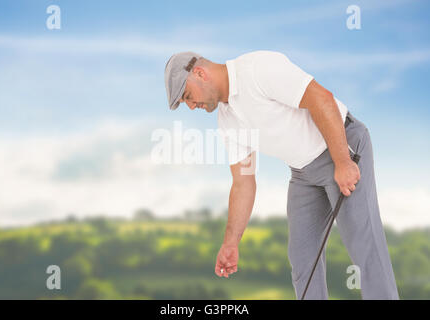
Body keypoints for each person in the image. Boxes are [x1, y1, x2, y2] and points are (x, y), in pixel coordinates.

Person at [164, 50, 399, 299]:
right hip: (302, 173)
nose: (191, 106)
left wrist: (342, 161)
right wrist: (231, 242)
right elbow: (243, 183)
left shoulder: (257, 69)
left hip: (340, 146)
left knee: (365, 249)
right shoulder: (228, 120)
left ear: (200, 73)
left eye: (188, 96)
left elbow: (321, 99)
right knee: (302, 259)